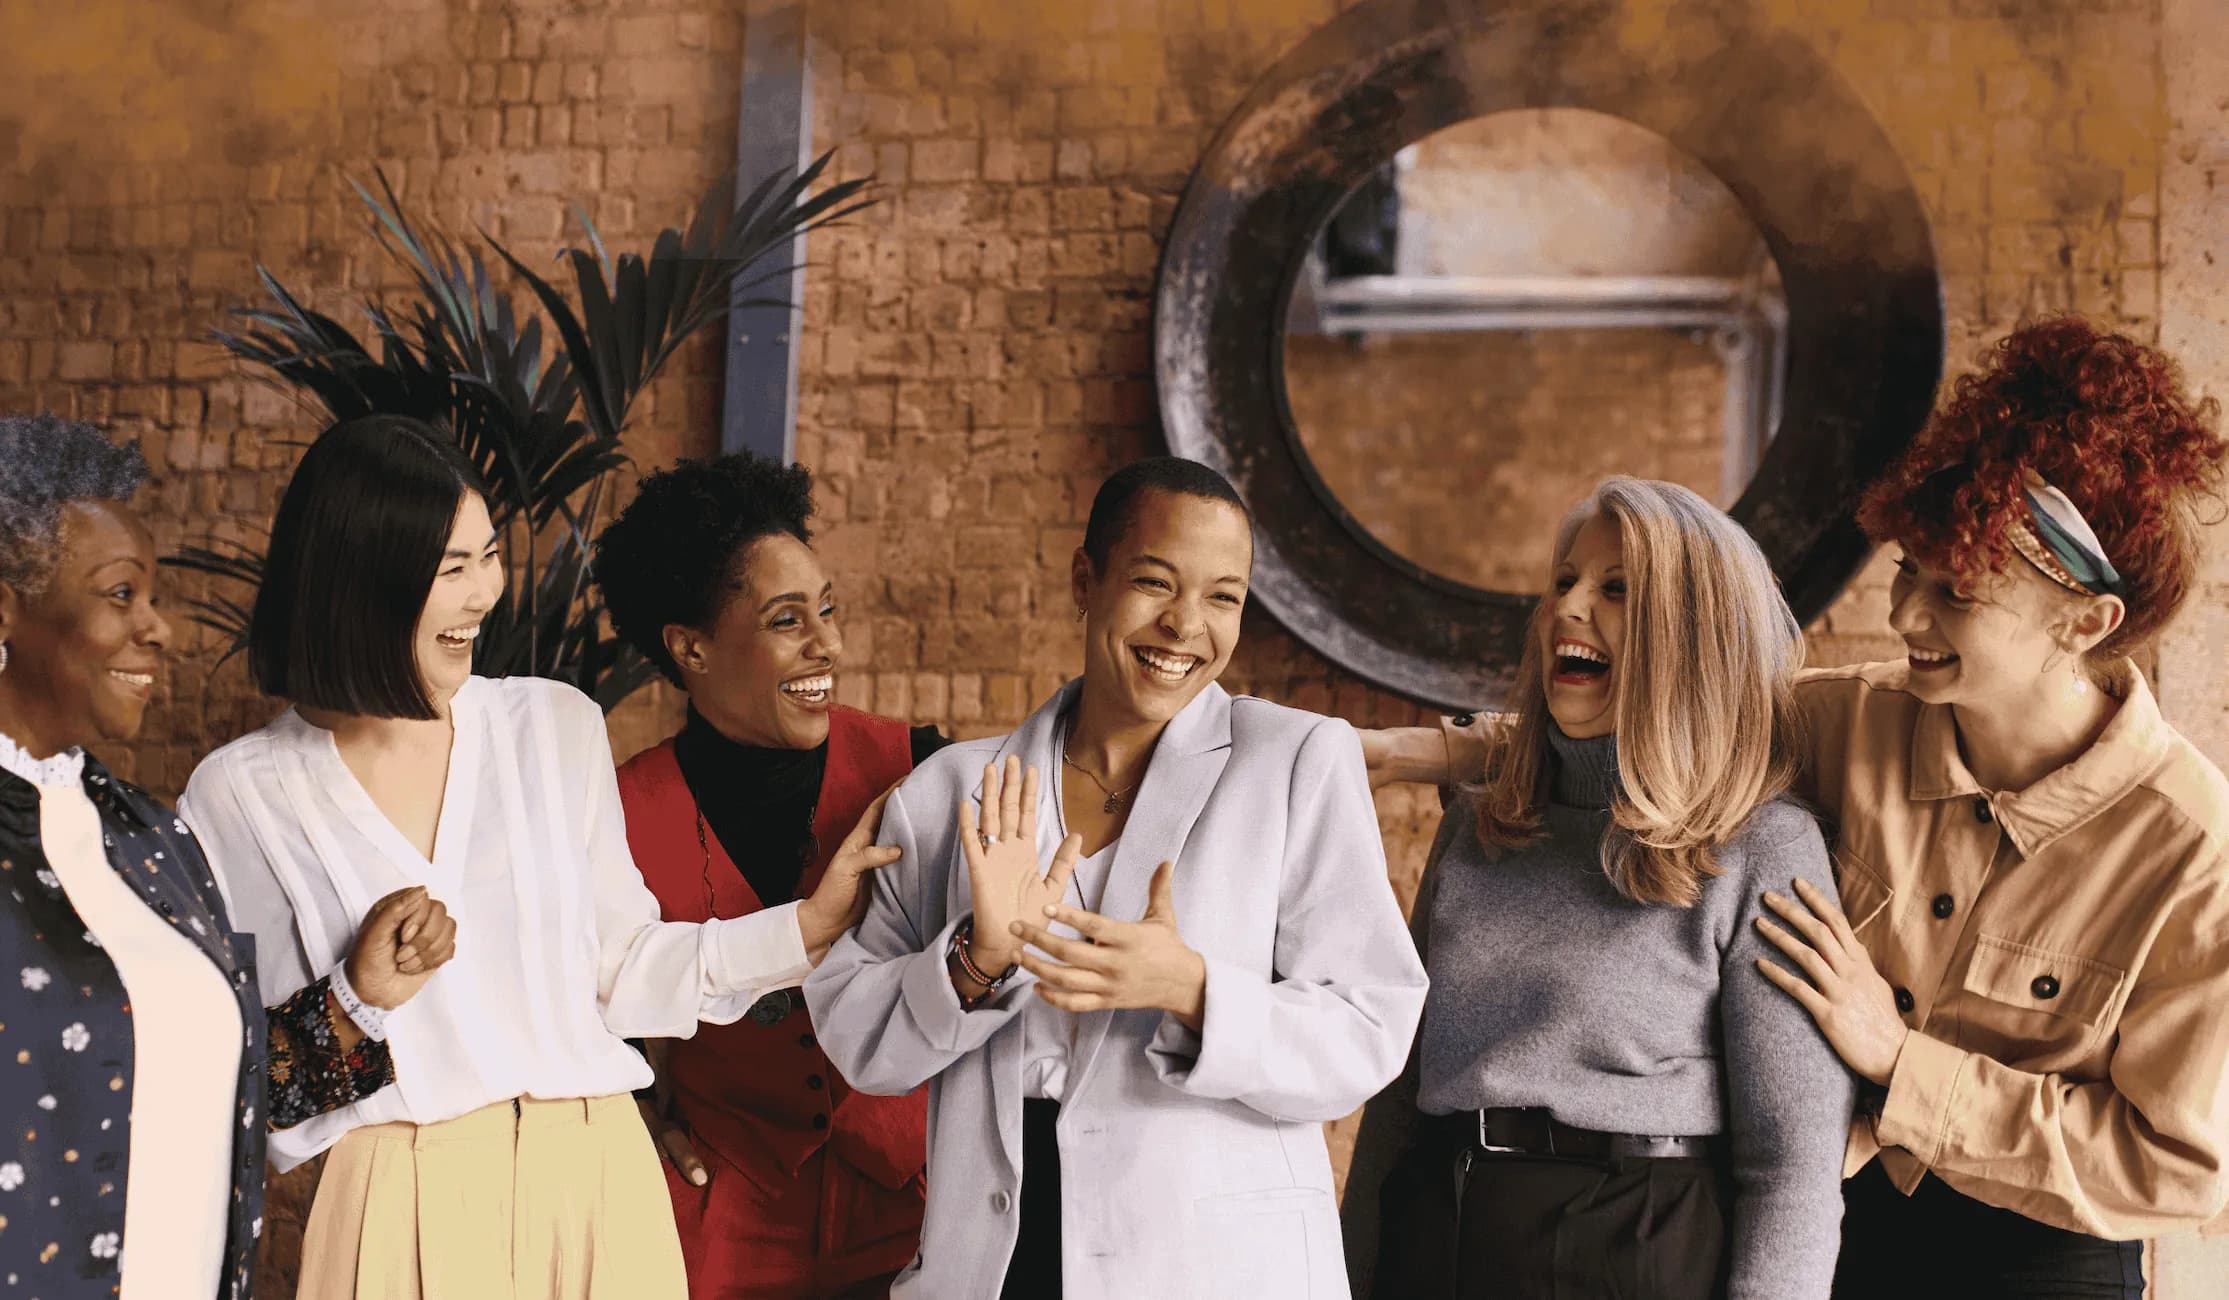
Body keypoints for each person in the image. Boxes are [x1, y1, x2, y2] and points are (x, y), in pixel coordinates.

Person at [1363, 318, 2229, 1298]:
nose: (1904, 616)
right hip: (1843, 1220)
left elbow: (2175, 1169)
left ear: (2085, 621)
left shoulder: (2192, 849)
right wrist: (1423, 751)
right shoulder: (1845, 720)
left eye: (1956, 594)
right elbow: (1656, 720)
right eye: (1907, 571)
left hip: (2038, 1256)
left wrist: (1903, 1064)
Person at [176, 414, 897, 1300]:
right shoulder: (241, 794)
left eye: (488, 557)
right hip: (399, 1194)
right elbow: (247, 1083)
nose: (486, 592)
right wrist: (358, 994)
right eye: (452, 569)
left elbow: (624, 969)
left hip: (597, 1179)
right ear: (363, 578)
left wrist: (808, 927)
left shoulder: (551, 726)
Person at [805, 456, 1429, 1300]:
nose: (1184, 625)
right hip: (996, 1261)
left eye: (1222, 597)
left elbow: (1369, 1028)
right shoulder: (949, 791)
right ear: (1084, 580)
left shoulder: (1295, 762)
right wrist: (976, 961)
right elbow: (858, 1040)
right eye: (1153, 582)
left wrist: (1193, 990)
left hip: (1212, 1267)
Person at [1340, 477, 1854, 1300]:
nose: (1567, 608)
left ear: (1689, 634)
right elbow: (1397, 1105)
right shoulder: (1479, 821)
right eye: (1564, 581)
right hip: (1435, 1229)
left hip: (1631, 1246)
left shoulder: (1763, 844)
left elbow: (1790, 1167)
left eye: (1615, 589)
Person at [0, 413, 443, 1300]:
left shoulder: (151, 841)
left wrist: (358, 998)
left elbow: (227, 1099)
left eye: (152, 597)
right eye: (121, 594)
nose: (159, 628)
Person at [591, 452, 938, 1299]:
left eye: (827, 609)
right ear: (691, 647)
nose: (829, 644)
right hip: (721, 1227)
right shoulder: (617, 810)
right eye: (788, 620)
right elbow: (580, 1015)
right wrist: (629, 1116)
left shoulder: (919, 767)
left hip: (916, 1213)